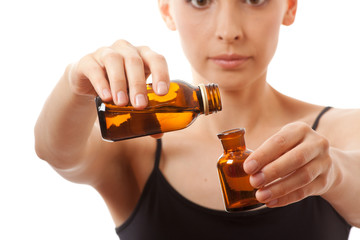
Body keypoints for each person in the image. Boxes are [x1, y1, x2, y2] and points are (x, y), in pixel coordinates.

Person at [34, 0, 360, 239]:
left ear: (289, 7)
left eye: (254, 0)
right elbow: (54, 151)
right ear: (166, 9)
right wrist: (74, 83)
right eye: (200, 1)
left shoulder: (337, 133)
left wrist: (333, 172)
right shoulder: (135, 150)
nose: (228, 31)